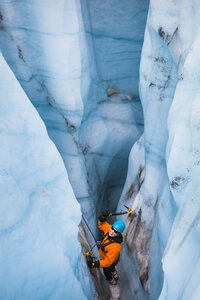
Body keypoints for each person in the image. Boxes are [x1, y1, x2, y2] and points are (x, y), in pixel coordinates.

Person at [87, 210, 125, 285]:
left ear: (119, 233)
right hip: (112, 258)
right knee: (112, 266)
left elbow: (107, 262)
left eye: (116, 232)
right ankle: (114, 273)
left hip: (110, 260)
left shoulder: (115, 247)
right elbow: (102, 224)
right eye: (112, 228)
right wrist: (103, 218)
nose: (112, 232)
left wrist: (94, 264)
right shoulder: (109, 229)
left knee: (107, 270)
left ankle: (112, 281)